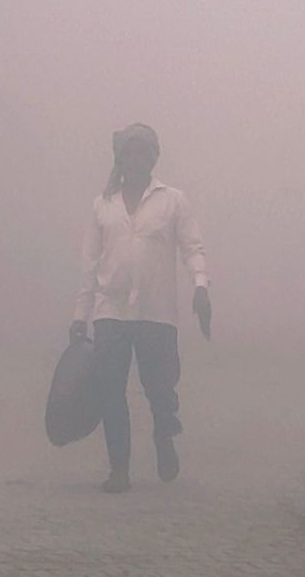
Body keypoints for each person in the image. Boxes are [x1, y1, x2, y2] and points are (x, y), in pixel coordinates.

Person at [70, 123, 212, 494]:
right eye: (130, 153)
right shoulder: (103, 206)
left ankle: (164, 435)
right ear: (121, 159)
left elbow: (192, 248)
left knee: (160, 389)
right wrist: (79, 316)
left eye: (144, 153)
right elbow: (90, 263)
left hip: (157, 313)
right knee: (110, 391)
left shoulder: (173, 201)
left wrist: (200, 286)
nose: (137, 160)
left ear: (153, 158)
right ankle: (120, 469)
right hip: (111, 311)